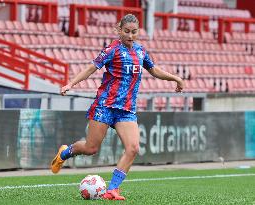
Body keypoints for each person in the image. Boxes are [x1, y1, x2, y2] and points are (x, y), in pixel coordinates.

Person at [51, 14, 184, 200]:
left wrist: (175, 78)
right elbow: (91, 68)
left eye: (134, 32)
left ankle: (112, 189)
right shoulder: (112, 49)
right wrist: (71, 84)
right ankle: (65, 152)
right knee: (91, 148)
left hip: (126, 109)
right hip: (105, 105)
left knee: (133, 148)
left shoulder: (140, 51)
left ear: (138, 32)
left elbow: (154, 70)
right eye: (127, 31)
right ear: (119, 30)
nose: (130, 35)